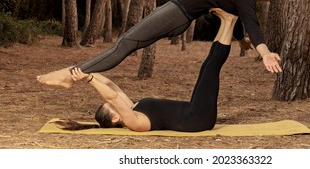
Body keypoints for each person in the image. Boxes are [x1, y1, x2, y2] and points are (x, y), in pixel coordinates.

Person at [38, 0, 282, 88]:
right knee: (124, 43)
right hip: (172, 10)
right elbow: (240, 22)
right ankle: (73, 73)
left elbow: (252, 24)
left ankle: (70, 74)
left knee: (124, 45)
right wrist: (241, 40)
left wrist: (265, 52)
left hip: (176, 15)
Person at [38, 9, 241, 132]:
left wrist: (78, 72)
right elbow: (111, 98)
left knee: (208, 65)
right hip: (199, 118)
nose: (113, 102)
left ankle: (226, 21)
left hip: (195, 109)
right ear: (117, 118)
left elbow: (112, 87)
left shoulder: (133, 108)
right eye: (112, 108)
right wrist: (89, 79)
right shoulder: (134, 122)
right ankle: (230, 21)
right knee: (212, 67)